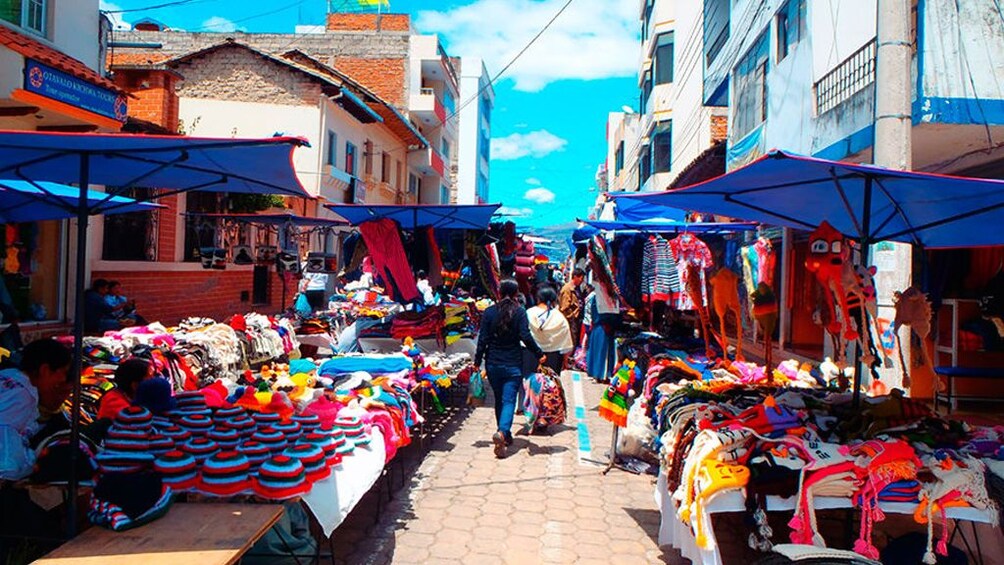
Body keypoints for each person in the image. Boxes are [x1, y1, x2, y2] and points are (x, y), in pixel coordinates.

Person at [474, 279, 545, 458]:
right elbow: (525, 336)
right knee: (508, 401)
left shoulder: (489, 312)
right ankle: (503, 431)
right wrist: (538, 353)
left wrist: (477, 361)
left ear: (499, 293)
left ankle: (504, 434)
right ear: (515, 294)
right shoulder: (520, 312)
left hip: (493, 364)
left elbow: (482, 339)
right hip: (512, 363)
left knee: (500, 399)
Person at [0, 338, 72, 480]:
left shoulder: (7, 376)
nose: (63, 379)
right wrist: (31, 463)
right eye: (62, 372)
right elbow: (7, 460)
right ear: (45, 370)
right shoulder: (23, 397)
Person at [526, 287, 574, 373]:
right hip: (553, 358)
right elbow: (566, 339)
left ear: (538, 298)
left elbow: (523, 333)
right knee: (551, 384)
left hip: (530, 355)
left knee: (530, 383)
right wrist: (565, 360)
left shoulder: (529, 313)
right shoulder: (559, 316)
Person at [97, 357, 154, 421]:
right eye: (150, 378)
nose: (153, 381)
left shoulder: (131, 396)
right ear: (134, 385)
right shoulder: (116, 404)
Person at [559, 268, 587, 350]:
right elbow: (564, 307)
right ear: (575, 277)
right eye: (581, 278)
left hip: (575, 320)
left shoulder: (576, 288)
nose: (582, 281)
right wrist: (572, 317)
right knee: (570, 341)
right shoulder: (567, 289)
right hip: (570, 321)